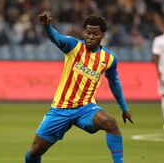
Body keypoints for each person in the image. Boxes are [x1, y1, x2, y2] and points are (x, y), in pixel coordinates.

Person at [25, 14, 133, 163]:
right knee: (34, 151)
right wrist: (47, 27)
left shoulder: (109, 59)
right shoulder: (73, 46)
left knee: (110, 122)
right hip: (61, 109)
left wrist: (124, 108)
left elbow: (114, 83)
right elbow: (56, 38)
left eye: (95, 34)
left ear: (102, 35)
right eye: (88, 32)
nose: (90, 36)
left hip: (85, 108)